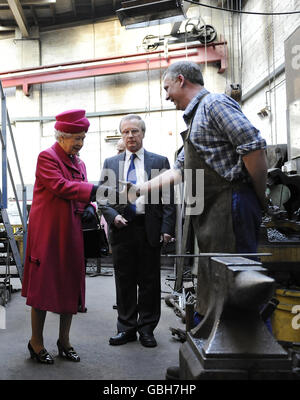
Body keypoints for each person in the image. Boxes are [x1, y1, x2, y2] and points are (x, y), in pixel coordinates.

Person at [125, 62, 268, 372]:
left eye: (166, 88)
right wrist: (138, 190)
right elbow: (178, 171)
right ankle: (210, 358)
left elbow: (253, 145)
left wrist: (258, 196)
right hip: (212, 211)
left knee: (240, 285)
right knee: (213, 284)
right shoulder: (194, 122)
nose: (166, 97)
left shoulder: (214, 104)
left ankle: (250, 364)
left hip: (233, 203)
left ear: (180, 80)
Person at [21, 109, 97, 364]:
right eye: (76, 137)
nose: (80, 143)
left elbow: (82, 190)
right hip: (49, 233)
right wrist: (94, 192)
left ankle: (64, 341)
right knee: (43, 286)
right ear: (61, 136)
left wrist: (90, 207)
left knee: (71, 284)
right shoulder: (47, 157)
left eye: (83, 138)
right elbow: (61, 187)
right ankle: (36, 342)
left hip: (71, 231)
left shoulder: (80, 162)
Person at [98, 114, 176, 348]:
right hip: (122, 229)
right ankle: (127, 328)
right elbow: (102, 199)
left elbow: (169, 197)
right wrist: (113, 217)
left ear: (143, 133)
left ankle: (147, 329)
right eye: (126, 132)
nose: (130, 136)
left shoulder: (158, 161)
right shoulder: (111, 163)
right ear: (121, 135)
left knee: (150, 282)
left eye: (135, 131)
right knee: (124, 281)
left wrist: (167, 228)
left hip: (149, 228)